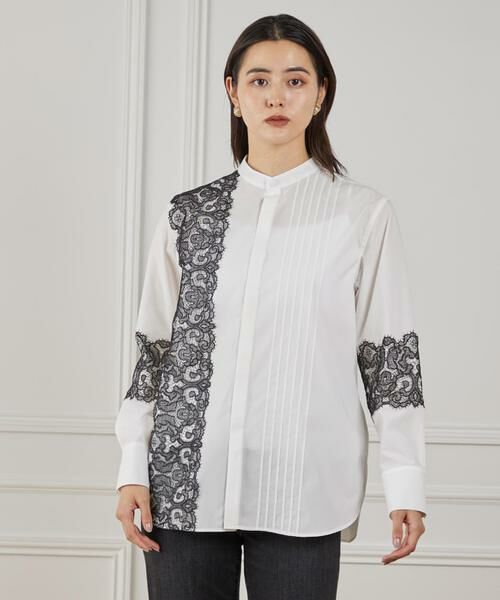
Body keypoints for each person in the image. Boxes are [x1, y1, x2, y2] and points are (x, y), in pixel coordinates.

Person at [114, 13, 427, 600]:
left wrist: (405, 482)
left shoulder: (362, 216)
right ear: (233, 93)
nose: (276, 96)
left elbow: (389, 360)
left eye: (295, 80)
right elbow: (153, 352)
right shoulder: (189, 215)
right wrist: (133, 465)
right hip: (183, 484)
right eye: (259, 80)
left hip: (305, 488)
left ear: (320, 94)